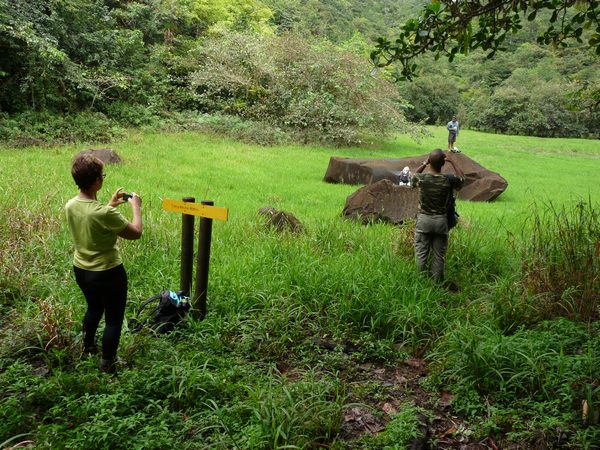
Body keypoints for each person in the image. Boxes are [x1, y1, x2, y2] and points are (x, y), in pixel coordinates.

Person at [65, 152, 143, 374]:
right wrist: (136, 207)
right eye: (103, 175)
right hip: (108, 272)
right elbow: (135, 233)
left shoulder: (71, 205)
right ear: (97, 181)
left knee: (94, 307)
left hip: (82, 269)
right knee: (113, 320)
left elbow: (92, 217)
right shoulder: (104, 213)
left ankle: (87, 347)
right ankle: (107, 364)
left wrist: (109, 205)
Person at [411, 149, 464, 283]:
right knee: (438, 256)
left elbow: (412, 177)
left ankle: (420, 282)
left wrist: (424, 163)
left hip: (424, 220)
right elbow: (462, 179)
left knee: (421, 253)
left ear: (430, 163)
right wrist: (452, 161)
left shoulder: (422, 178)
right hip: (441, 221)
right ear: (442, 163)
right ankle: (436, 284)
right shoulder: (449, 179)